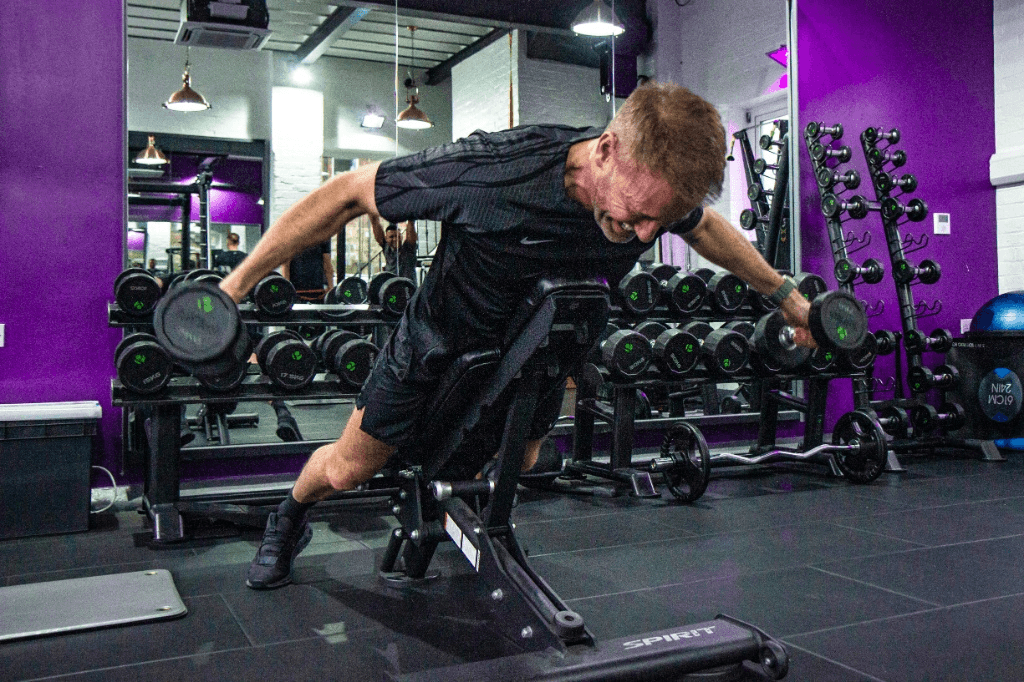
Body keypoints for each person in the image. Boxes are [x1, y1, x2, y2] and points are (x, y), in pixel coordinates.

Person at [221, 81, 815, 590]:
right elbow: (347, 192)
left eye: (657, 222)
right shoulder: (492, 170)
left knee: (520, 460)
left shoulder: (650, 188)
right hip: (440, 341)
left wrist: (786, 297)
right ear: (607, 150)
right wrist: (235, 287)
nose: (643, 233)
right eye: (637, 215)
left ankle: (451, 523)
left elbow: (704, 226)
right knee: (349, 469)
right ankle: (289, 516)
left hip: (536, 350)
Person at [372, 217, 418, 282]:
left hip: (407, 287)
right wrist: (373, 216)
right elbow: (377, 230)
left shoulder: (408, 249)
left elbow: (411, 235)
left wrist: (410, 218)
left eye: (397, 236)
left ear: (401, 237)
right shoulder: (387, 248)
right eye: (391, 237)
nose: (395, 239)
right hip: (391, 286)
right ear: (386, 239)